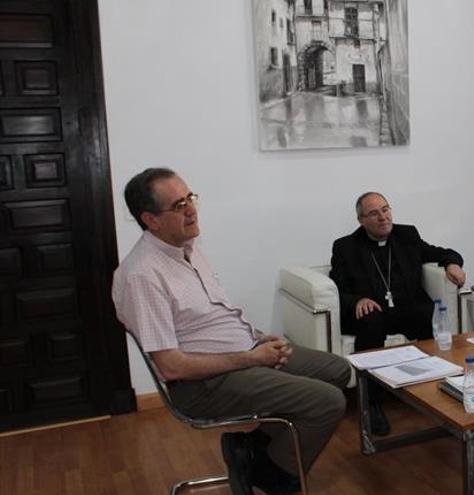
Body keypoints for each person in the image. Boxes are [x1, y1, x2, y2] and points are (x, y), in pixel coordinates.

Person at [112, 168, 351, 495]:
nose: (192, 210)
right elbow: (171, 366)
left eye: (191, 198)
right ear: (151, 220)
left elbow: (214, 316)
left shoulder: (188, 247)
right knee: (328, 401)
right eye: (179, 205)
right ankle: (271, 479)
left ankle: (250, 450)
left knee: (336, 370)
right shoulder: (142, 275)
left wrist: (261, 337)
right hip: (201, 384)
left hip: (245, 353)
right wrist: (250, 357)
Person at [330, 191, 465, 434]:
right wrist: (357, 299)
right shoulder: (346, 247)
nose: (383, 217)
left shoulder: (407, 235)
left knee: (427, 312)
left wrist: (452, 263)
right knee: (369, 320)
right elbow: (336, 288)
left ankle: (435, 393)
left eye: (386, 209)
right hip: (373, 314)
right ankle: (371, 404)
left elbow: (442, 252)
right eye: (374, 213)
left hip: (406, 310)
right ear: (361, 220)